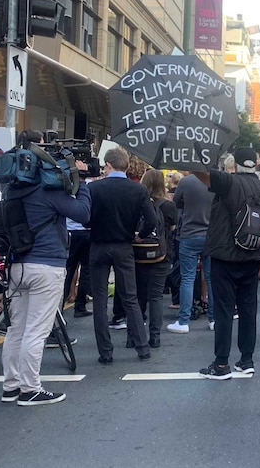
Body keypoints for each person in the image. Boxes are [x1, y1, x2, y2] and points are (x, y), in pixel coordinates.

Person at [1, 129, 91, 406]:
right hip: (46, 265)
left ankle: (11, 386)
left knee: (17, 328)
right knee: (37, 331)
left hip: (17, 265)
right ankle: (31, 389)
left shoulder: (12, 190)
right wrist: (83, 183)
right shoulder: (47, 192)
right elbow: (83, 214)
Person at [198, 147, 260, 380]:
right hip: (253, 256)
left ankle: (221, 364)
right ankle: (247, 359)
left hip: (225, 256)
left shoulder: (229, 182)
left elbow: (200, 173)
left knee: (224, 309)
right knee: (248, 308)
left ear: (235, 165)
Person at [87, 147, 156, 364]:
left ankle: (105, 352)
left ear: (108, 165)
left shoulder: (94, 188)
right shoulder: (138, 190)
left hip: (98, 245)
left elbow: (85, 217)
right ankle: (142, 347)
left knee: (99, 300)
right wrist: (140, 234)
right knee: (130, 297)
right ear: (126, 166)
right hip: (125, 245)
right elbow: (151, 221)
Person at [168, 169, 214, 333]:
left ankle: (183, 321)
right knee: (211, 279)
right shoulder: (215, 181)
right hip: (210, 236)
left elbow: (177, 202)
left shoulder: (186, 182)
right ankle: (213, 319)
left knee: (187, 277)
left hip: (189, 234)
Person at [137, 170, 176, 348]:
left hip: (138, 253)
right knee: (156, 295)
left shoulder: (137, 202)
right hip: (161, 253)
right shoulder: (168, 206)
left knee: (137, 296)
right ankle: (155, 336)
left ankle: (134, 336)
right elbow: (173, 228)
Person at [63, 214, 92, 318]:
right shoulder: (88, 197)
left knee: (68, 269)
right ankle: (80, 306)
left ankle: (60, 304)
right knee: (86, 271)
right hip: (87, 231)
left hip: (69, 232)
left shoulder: (64, 197)